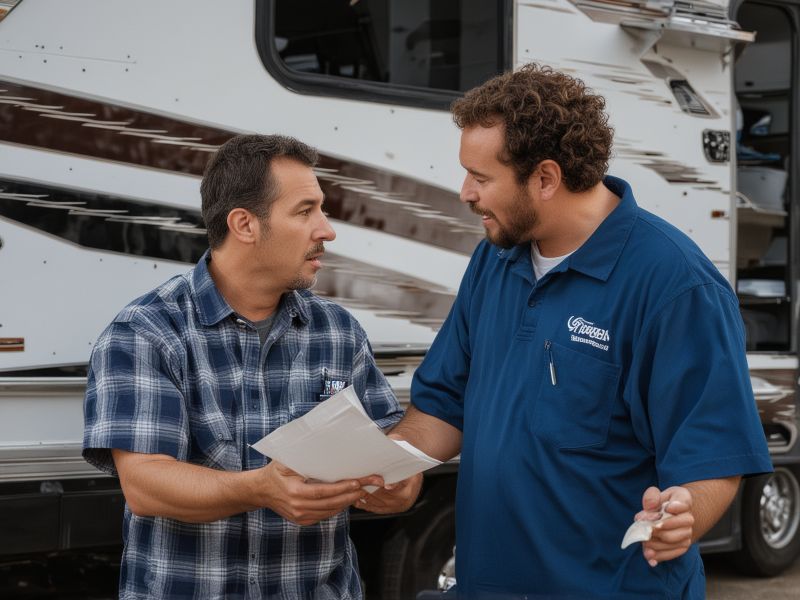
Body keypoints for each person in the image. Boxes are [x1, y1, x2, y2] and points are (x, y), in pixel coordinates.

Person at [381, 64, 773, 598]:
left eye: (481, 177)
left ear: (545, 178)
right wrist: (391, 464)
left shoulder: (675, 286)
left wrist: (684, 515)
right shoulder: (494, 261)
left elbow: (713, 460)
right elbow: (445, 405)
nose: (465, 192)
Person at [83, 134, 421, 599]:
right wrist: (261, 488)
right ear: (244, 224)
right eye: (305, 212)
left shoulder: (339, 332)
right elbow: (145, 484)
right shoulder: (147, 331)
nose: (327, 230)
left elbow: (393, 445)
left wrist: (399, 484)